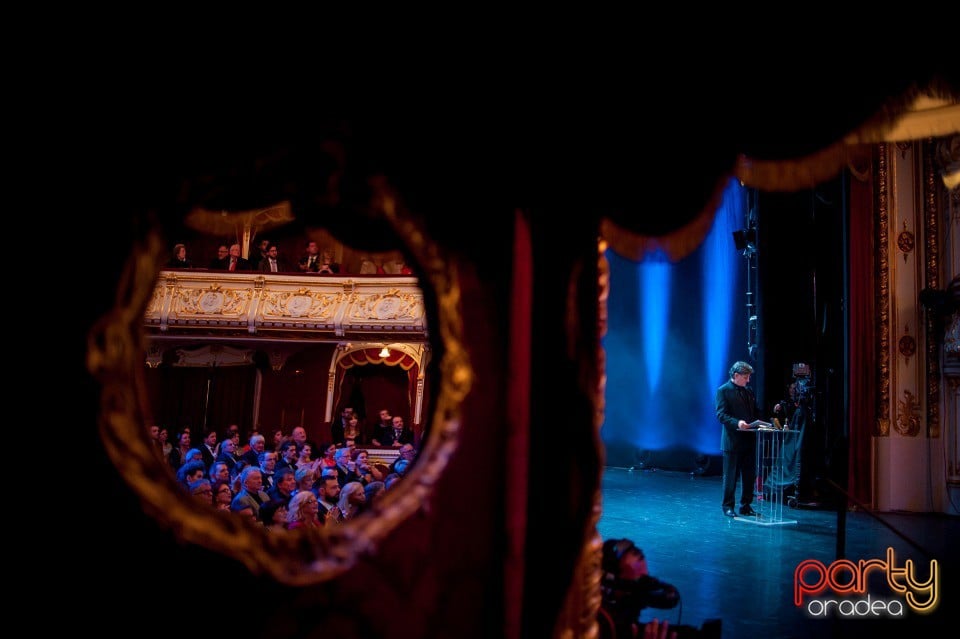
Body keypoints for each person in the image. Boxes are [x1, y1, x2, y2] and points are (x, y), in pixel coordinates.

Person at [599, 538, 680, 639]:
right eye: (640, 581)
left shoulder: (628, 626)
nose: (646, 587)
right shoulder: (602, 624)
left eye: (645, 579)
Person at [715, 360, 759, 517]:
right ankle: (727, 506)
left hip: (749, 440)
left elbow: (755, 412)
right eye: (746, 377)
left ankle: (746, 505)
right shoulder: (723, 391)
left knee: (749, 476)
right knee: (731, 477)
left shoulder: (748, 391)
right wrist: (737, 423)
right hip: (732, 441)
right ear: (736, 375)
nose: (748, 380)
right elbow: (721, 415)